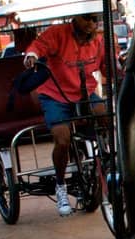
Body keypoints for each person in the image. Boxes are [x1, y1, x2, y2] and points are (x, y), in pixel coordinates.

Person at [22, 13, 106, 217]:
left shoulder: (99, 40)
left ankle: (105, 162)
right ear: (76, 18)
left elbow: (108, 66)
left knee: (107, 116)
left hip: (84, 95)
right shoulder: (58, 33)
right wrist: (31, 55)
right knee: (62, 139)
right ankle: (61, 186)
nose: (91, 24)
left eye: (95, 20)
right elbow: (38, 46)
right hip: (55, 96)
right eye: (87, 19)